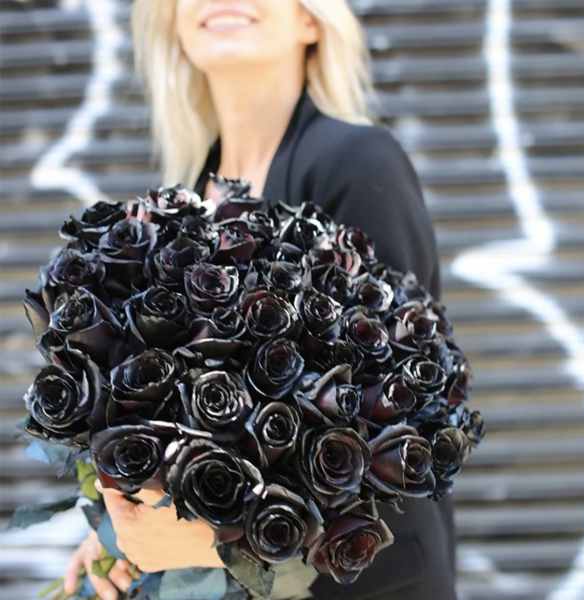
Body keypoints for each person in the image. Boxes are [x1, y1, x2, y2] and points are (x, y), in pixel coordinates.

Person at [63, 1, 456, 599]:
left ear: (310, 19)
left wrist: (212, 544)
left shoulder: (357, 164)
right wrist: (121, 532)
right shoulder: (189, 194)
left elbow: (411, 431)